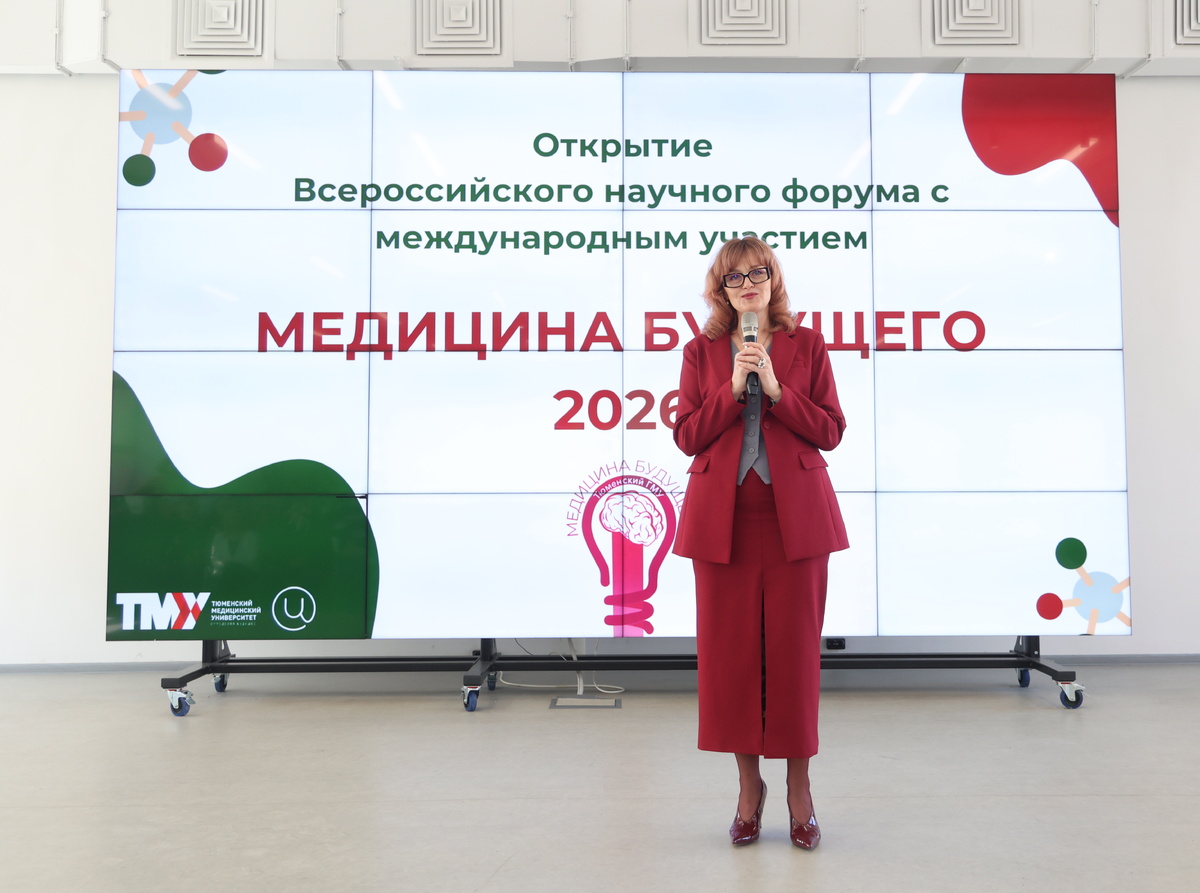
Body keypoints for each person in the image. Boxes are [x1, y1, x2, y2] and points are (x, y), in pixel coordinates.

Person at [672, 236, 849, 848]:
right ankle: (750, 789)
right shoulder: (700, 351)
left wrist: (776, 390)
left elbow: (830, 430)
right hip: (723, 524)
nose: (747, 285)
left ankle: (800, 788)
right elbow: (687, 435)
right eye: (734, 277)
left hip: (795, 522)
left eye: (758, 273)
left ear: (775, 280)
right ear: (720, 290)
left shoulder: (808, 345)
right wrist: (730, 388)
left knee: (794, 658)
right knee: (733, 661)